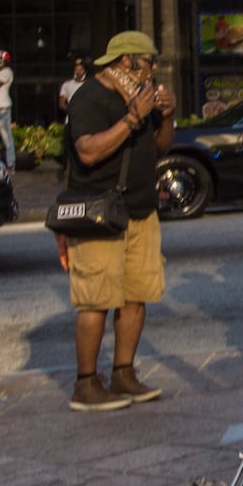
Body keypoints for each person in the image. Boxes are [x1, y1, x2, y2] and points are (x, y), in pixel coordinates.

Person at [60, 31, 175, 411]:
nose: (153, 69)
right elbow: (88, 151)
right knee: (96, 299)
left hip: (141, 211)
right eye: (149, 61)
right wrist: (132, 118)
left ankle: (124, 373)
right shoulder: (90, 97)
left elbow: (159, 146)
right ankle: (86, 383)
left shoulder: (140, 96)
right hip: (100, 214)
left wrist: (166, 117)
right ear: (126, 61)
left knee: (135, 297)